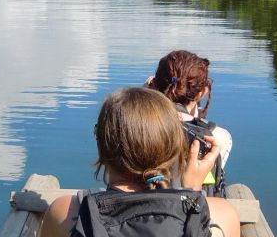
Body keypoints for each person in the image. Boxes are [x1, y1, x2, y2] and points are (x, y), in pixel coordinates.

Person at [41, 87, 240, 237]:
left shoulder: (66, 212)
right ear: (175, 149)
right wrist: (192, 195)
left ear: (101, 146)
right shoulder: (222, 214)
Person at [147, 50, 232, 195]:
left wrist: (148, 93)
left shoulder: (134, 124)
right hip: (193, 205)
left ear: (154, 85)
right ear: (202, 93)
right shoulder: (217, 136)